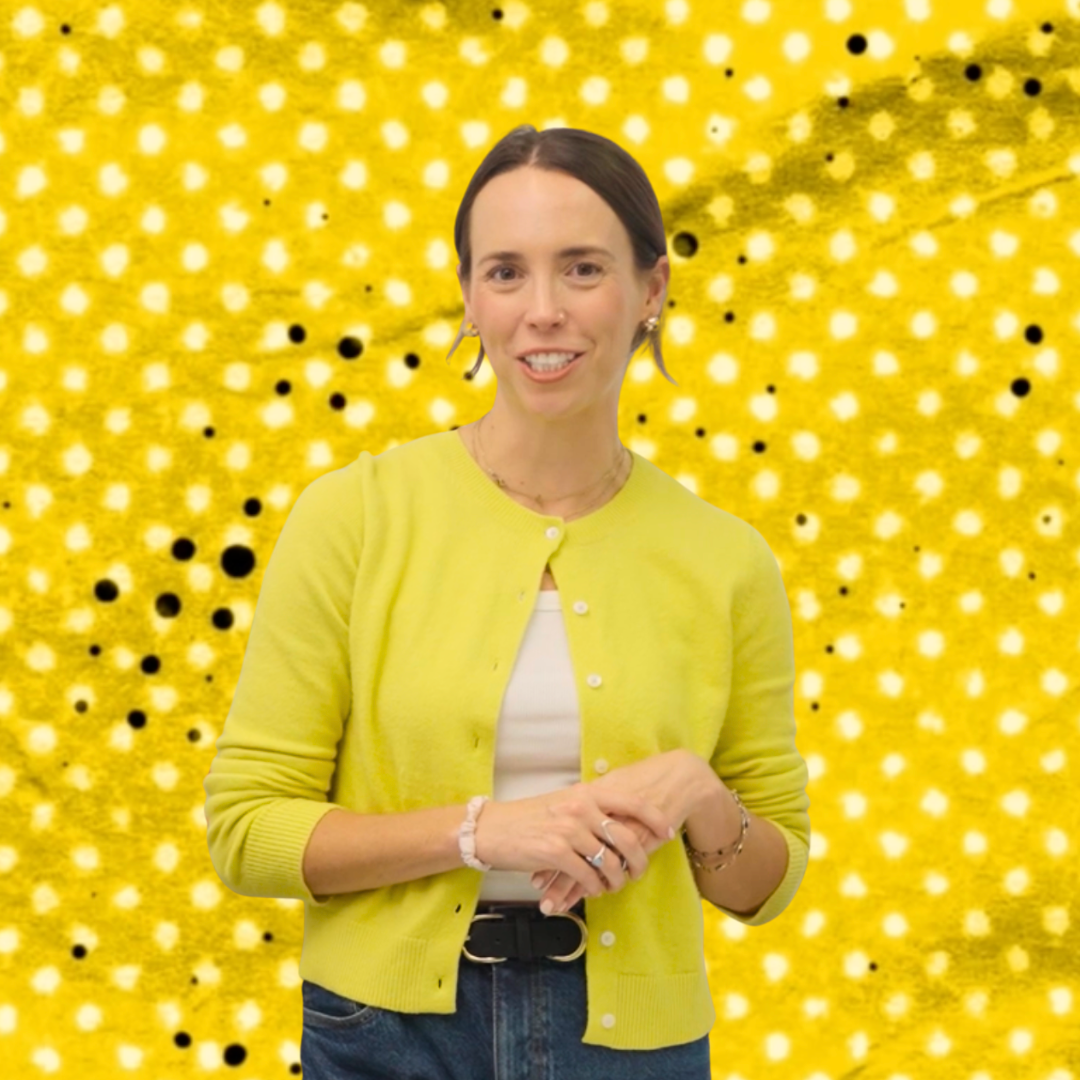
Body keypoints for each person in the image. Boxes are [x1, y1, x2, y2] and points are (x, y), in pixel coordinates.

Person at [203, 124, 810, 1078]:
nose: (542, 312)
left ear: (650, 291)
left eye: (580, 269)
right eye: (505, 272)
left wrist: (698, 791)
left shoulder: (728, 560)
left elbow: (763, 888)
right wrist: (482, 830)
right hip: (387, 1036)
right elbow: (247, 831)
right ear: (469, 298)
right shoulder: (353, 518)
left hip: (633, 1049)